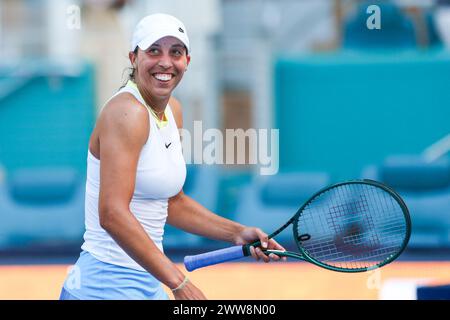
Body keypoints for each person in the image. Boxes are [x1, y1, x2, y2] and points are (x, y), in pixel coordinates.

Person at [59, 13, 285, 300]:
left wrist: (236, 232)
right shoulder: (126, 113)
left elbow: (171, 202)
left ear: (186, 62)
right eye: (154, 51)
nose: (165, 62)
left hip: (147, 284)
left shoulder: (172, 110)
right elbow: (112, 214)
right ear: (134, 58)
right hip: (103, 288)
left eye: (175, 52)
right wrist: (179, 283)